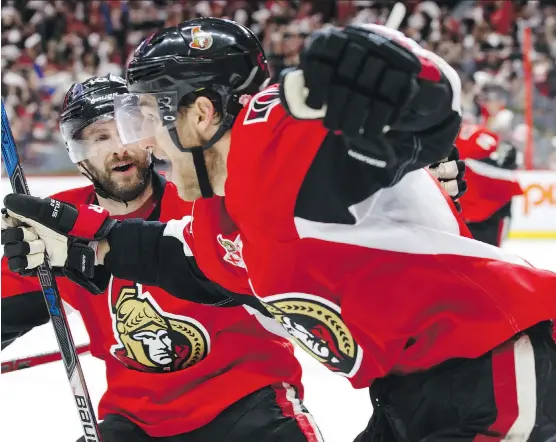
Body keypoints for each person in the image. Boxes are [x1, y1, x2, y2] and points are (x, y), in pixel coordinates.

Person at [3, 18, 556, 441]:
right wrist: (81, 245)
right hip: (410, 396)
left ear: (200, 115)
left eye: (145, 116)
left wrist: (394, 78)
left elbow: (412, 106)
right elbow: (177, 259)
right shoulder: (219, 213)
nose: (142, 142)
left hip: (497, 373)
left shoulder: (269, 141)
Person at [1, 74, 322, 442]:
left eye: (126, 131)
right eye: (101, 138)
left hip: (246, 403)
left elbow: (264, 283)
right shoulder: (58, 223)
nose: (119, 148)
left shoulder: (199, 200)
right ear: (79, 155)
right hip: (137, 422)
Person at [455, 121, 523, 246]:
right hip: (494, 198)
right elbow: (508, 156)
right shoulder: (479, 132)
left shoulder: (447, 138)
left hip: (477, 205)